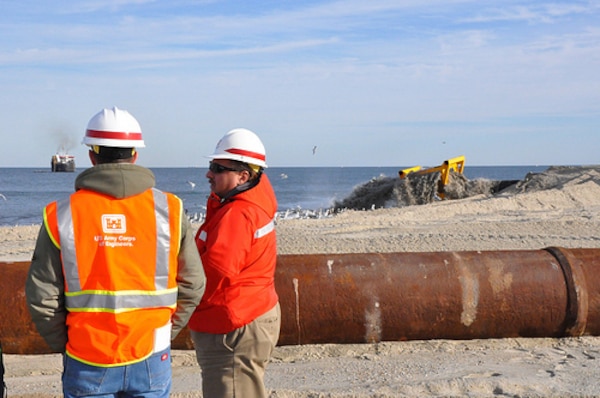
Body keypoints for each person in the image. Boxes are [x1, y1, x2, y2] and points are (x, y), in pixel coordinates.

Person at [25, 106, 206, 398]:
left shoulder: (61, 215)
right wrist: (163, 335)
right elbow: (193, 284)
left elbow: (41, 295)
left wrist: (67, 344)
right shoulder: (170, 210)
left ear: (91, 156)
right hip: (152, 355)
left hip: (87, 357)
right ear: (135, 154)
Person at [187, 128, 281, 397]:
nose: (209, 174)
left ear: (244, 176)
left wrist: (180, 305)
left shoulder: (238, 213)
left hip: (232, 327)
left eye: (218, 168)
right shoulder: (248, 204)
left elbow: (216, 271)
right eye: (211, 166)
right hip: (248, 315)